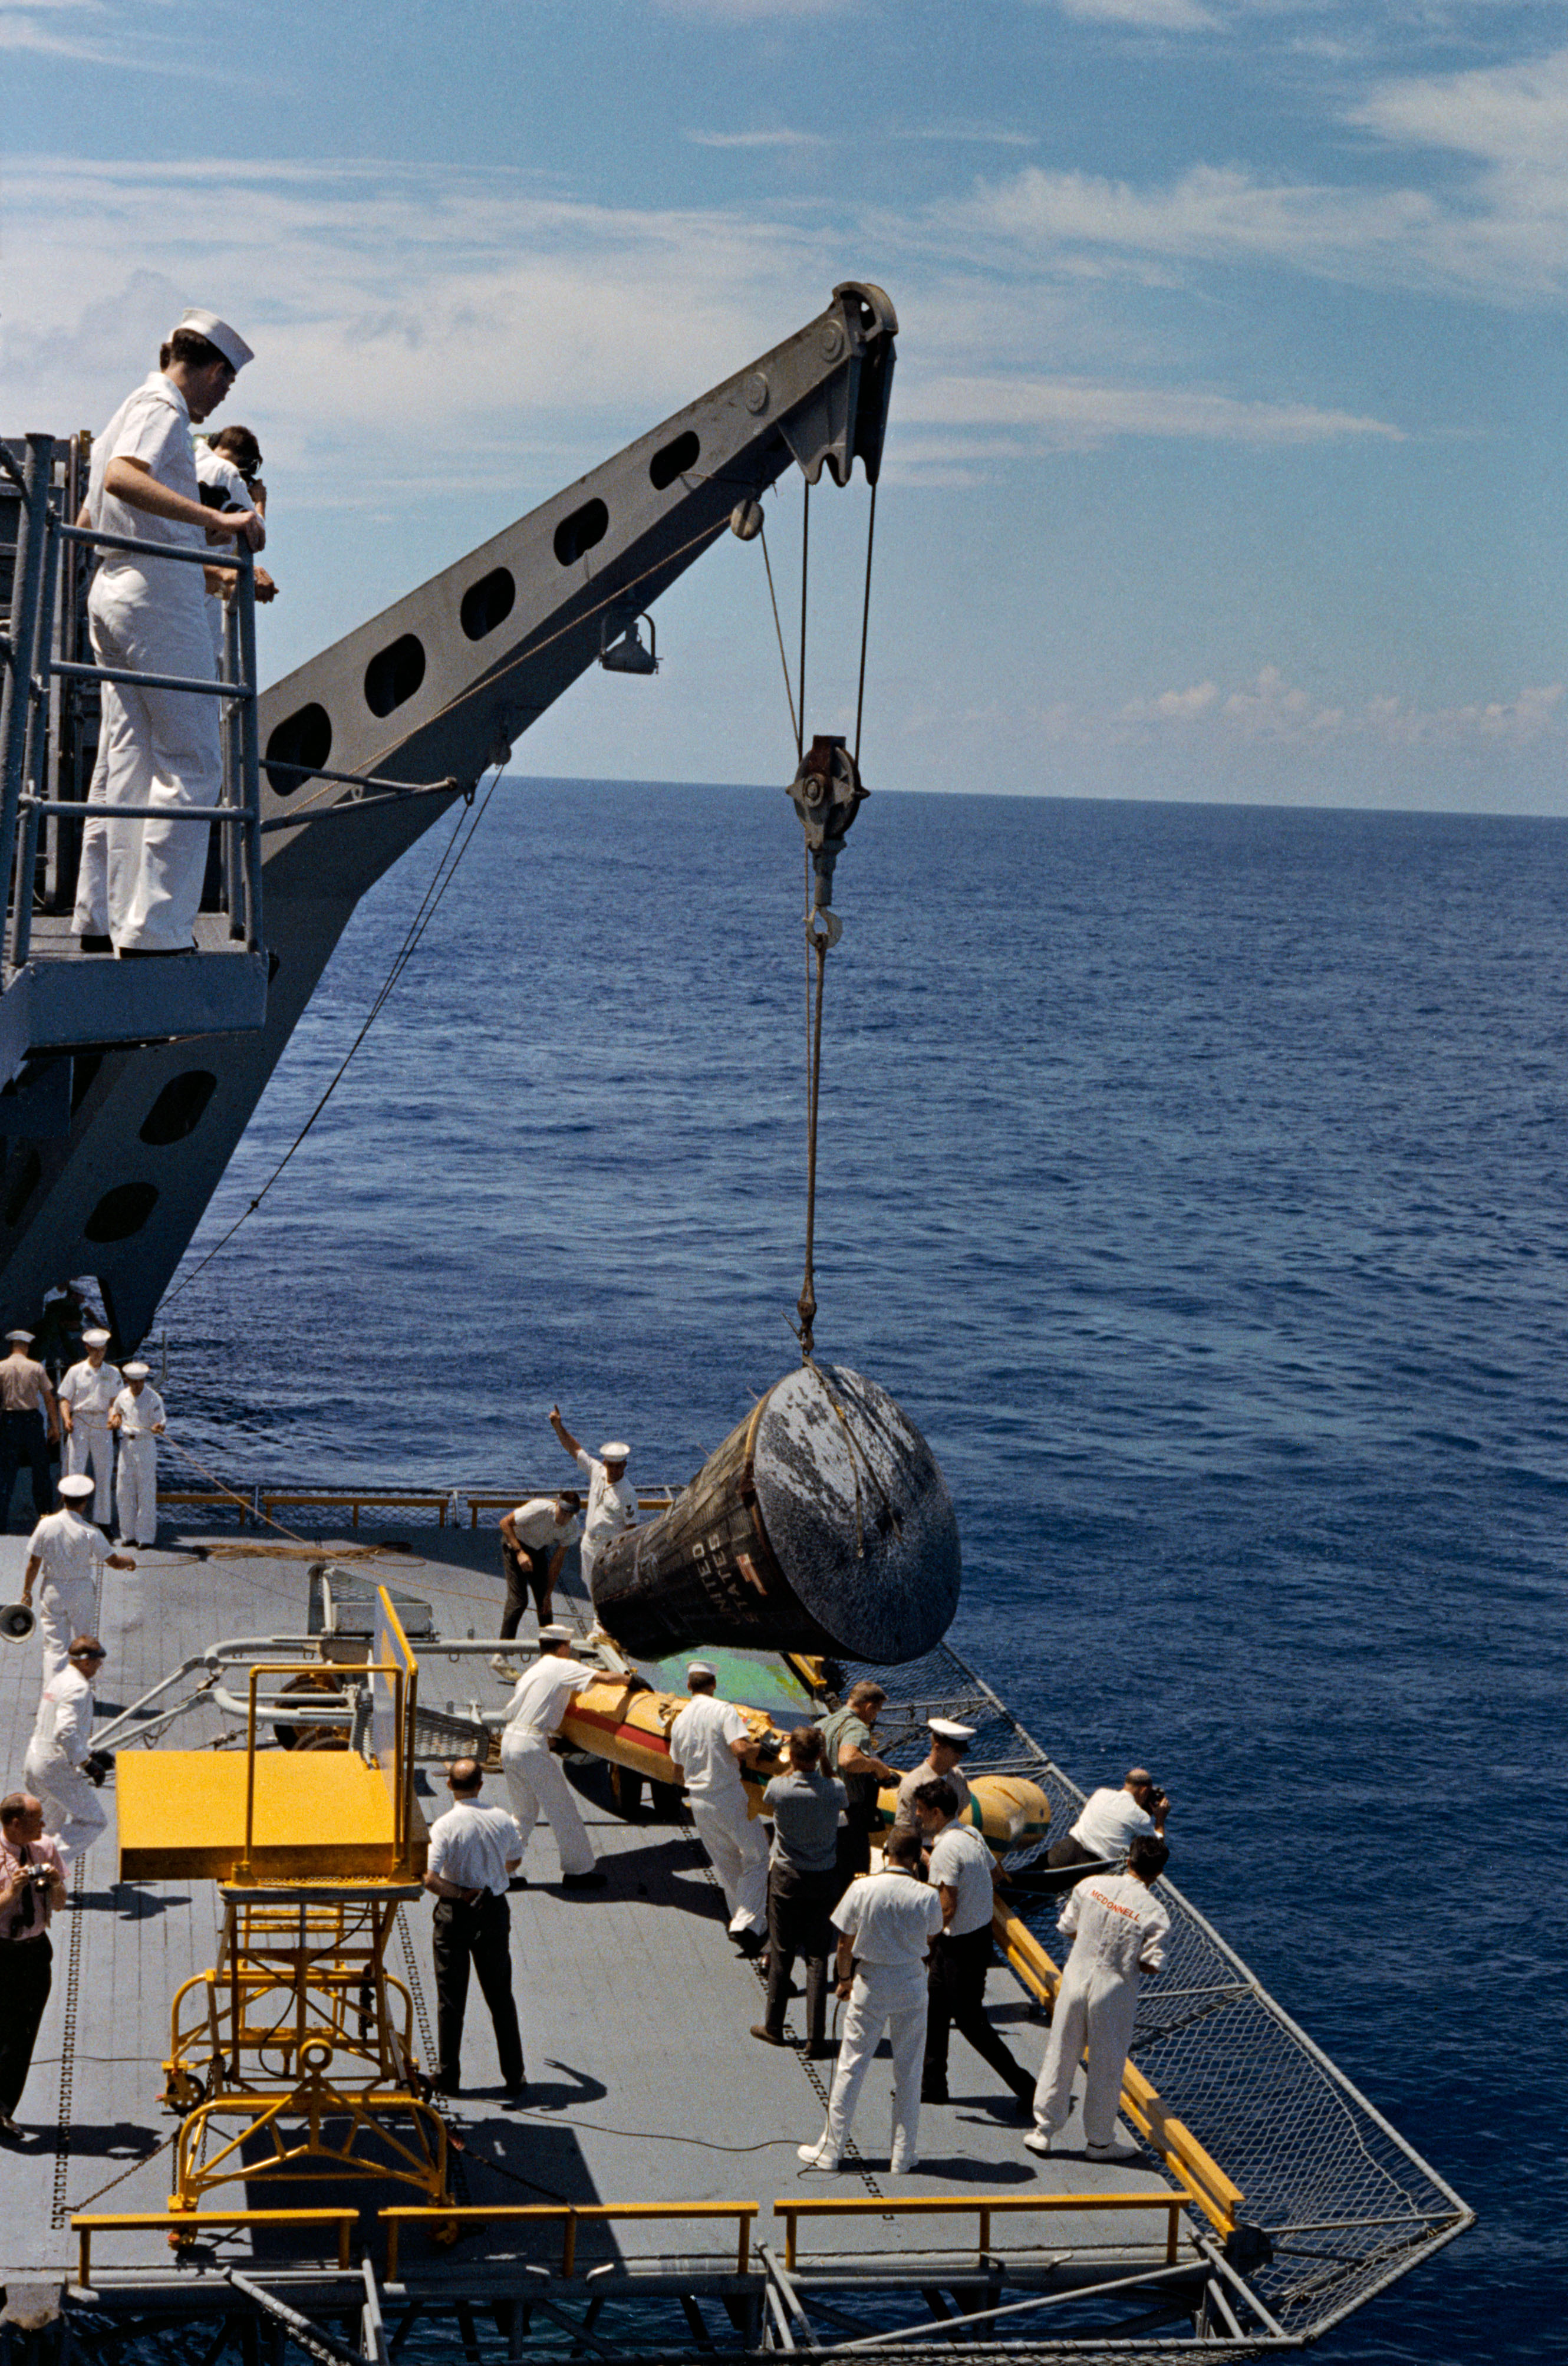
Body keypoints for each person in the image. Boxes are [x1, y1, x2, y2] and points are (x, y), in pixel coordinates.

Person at [75, 309, 263, 954]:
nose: (220, 399)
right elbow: (123, 480)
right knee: (192, 760)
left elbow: (94, 508)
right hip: (157, 597)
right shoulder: (166, 411)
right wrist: (227, 522)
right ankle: (154, 929)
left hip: (113, 588)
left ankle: (100, 916)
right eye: (225, 385)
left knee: (126, 759)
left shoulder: (127, 407)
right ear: (213, 371)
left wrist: (203, 529)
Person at [798, 1827, 943, 2175]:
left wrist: (845, 1979)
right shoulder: (926, 1896)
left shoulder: (862, 1888)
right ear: (915, 1860)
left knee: (851, 2066)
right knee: (909, 2072)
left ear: (885, 1854)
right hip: (910, 1981)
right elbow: (932, 1934)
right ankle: (903, 2156)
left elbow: (845, 1942)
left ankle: (831, 2150)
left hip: (872, 1982)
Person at [1027, 1835, 1172, 2160]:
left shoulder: (1091, 1885)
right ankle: (1100, 2141)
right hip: (1113, 1993)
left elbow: (1067, 1927)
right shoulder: (1156, 1913)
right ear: (1158, 1873)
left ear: (1128, 1859)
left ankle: (1043, 2130)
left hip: (1076, 1979)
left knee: (1061, 2050)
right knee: (1107, 2064)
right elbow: (1151, 1965)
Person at [914, 1778, 1034, 2111]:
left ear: (936, 1813)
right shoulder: (971, 1835)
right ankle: (932, 2084)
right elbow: (996, 1875)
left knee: (972, 2024)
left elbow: (946, 1908)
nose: (918, 1816)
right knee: (935, 2010)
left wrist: (924, 1945)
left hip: (959, 1949)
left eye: (921, 1811)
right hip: (975, 1940)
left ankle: (1030, 2090)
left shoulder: (946, 1850)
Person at [423, 1757, 526, 2098]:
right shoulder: (502, 1819)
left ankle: (449, 2078)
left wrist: (460, 1894)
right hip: (494, 1912)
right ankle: (515, 2076)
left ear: (449, 1785)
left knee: (451, 2001)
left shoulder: (444, 1826)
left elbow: (431, 1879)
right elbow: (514, 1859)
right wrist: (495, 1870)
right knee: (501, 1997)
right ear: (482, 1784)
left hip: (457, 1916)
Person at [753, 1725, 844, 2054]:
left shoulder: (780, 1789)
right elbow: (836, 1786)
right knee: (818, 1957)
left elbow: (773, 1791)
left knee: (782, 1951)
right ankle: (816, 2038)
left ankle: (774, 2026)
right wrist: (825, 1762)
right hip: (823, 1879)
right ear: (819, 1756)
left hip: (787, 1878)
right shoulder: (834, 1789)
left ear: (793, 1755)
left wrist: (796, 1763)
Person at [668, 1661, 769, 1954]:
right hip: (727, 1795)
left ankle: (747, 1924)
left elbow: (676, 1770)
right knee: (758, 1855)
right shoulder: (724, 1710)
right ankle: (746, 1923)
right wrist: (761, 1749)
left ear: (689, 1686)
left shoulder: (681, 1720)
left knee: (725, 1863)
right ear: (713, 1684)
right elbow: (741, 1750)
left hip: (698, 1799)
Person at [498, 1625, 605, 1888]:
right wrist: (630, 1680)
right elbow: (603, 1679)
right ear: (562, 1647)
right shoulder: (560, 1665)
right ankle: (578, 1873)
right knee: (562, 1810)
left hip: (510, 1741)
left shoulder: (532, 1672)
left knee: (522, 1814)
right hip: (531, 1746)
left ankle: (501, 1873)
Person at [0, 1790, 67, 2137]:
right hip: (2, 1952)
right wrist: (10, 1895)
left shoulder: (44, 1850)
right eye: (36, 1820)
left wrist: (55, 1884)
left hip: (35, 1951)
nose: (43, 1824)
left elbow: (59, 1904)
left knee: (23, 2035)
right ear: (14, 1823)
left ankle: (2, 2110)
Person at [20, 1475, 131, 1681]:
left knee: (54, 1647)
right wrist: (130, 1562)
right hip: (81, 1592)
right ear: (85, 1502)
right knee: (83, 1645)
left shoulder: (46, 1525)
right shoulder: (91, 1531)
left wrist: (27, 1592)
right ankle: (79, 1689)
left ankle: (53, 1693)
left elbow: (34, 1563)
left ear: (63, 1498)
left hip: (53, 1590)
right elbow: (115, 1562)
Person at [195, 426, 278, 667]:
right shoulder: (227, 472)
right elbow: (256, 535)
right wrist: (260, 501)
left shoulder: (187, 461)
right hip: (199, 603)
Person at [23, 1636, 111, 1865]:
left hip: (34, 1761)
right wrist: (87, 1763)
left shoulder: (59, 1679)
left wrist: (90, 1751)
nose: (99, 1666)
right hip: (55, 1768)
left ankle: (22, 1871)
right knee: (94, 1822)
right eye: (97, 1661)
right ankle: (43, 1866)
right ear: (85, 1662)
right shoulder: (79, 1688)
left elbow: (53, 1727)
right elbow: (65, 1731)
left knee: (49, 1826)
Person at [817, 1680, 902, 1890]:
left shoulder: (823, 1724)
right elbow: (848, 1760)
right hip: (847, 1812)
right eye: (876, 1711)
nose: (875, 1716)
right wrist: (877, 1766)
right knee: (853, 1870)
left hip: (820, 1804)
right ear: (869, 1707)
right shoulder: (857, 1727)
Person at [548, 1408, 636, 1590]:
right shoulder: (597, 1472)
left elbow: (630, 1529)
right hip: (588, 1545)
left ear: (625, 1465)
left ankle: (600, 1619)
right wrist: (558, 1427)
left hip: (608, 1551)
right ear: (605, 1463)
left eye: (619, 1466)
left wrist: (620, 1557)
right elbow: (575, 1450)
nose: (614, 1470)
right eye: (611, 1465)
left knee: (605, 1590)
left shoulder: (628, 1493)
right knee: (591, 1588)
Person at [493, 1491, 582, 1669]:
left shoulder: (572, 1528)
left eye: (570, 1514)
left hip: (538, 1551)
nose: (564, 1518)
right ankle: (501, 1656)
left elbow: (557, 1561)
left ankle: (550, 1657)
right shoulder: (539, 1509)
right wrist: (520, 1553)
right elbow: (505, 1523)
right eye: (563, 1511)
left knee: (544, 1605)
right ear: (557, 1504)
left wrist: (548, 1594)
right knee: (519, 1601)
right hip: (514, 1546)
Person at [1046, 1769, 1172, 1872]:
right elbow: (1157, 1846)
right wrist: (1160, 1819)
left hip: (1066, 1847)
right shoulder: (1139, 1816)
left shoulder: (1101, 1793)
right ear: (1144, 1790)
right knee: (1042, 1898)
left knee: (1030, 1879)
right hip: (1088, 1865)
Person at [57, 1328, 121, 1528]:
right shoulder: (75, 1372)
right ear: (87, 1348)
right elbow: (65, 1400)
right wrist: (67, 1419)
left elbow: (114, 1402)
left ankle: (102, 1522)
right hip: (81, 1422)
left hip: (102, 1423)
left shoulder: (113, 1373)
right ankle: (71, 1519)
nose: (99, 1353)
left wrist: (114, 1417)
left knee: (104, 1472)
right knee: (74, 1470)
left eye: (102, 1350)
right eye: (95, 1350)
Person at [0, 1330, 60, 1532]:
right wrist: (55, 1426)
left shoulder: (1, 1367)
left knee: (6, 1474)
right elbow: (49, 1398)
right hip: (32, 1422)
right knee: (41, 1472)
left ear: (12, 1346)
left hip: (9, 1421)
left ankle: (1, 1524)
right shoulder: (36, 1368)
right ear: (26, 1346)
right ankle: (46, 1519)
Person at [889, 1719, 974, 1844]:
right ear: (938, 1748)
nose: (960, 1756)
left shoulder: (958, 1777)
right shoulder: (912, 1784)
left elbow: (959, 1809)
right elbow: (904, 1831)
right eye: (956, 1751)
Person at [107, 1361, 164, 1546]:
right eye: (133, 1382)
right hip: (126, 1446)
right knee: (124, 1491)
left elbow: (161, 1421)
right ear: (127, 1380)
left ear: (145, 1380)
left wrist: (158, 1427)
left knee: (146, 1492)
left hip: (145, 1445)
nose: (137, 1385)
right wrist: (114, 1419)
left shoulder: (153, 1398)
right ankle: (128, 1535)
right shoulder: (122, 1396)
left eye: (140, 1381)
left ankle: (146, 1537)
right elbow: (116, 1411)